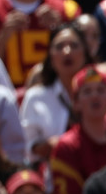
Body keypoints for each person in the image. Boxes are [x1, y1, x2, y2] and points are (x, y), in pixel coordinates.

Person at [0, 0, 81, 87]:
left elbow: (84, 61)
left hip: (54, 101)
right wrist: (3, 36)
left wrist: (61, 29)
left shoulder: (66, 10)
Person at [49, 65, 106, 194]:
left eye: (101, 90)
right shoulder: (67, 146)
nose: (95, 96)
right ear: (76, 103)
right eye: (87, 92)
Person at [19, 23, 90, 163]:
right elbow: (25, 147)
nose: (67, 52)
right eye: (59, 47)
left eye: (74, 46)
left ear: (85, 53)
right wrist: (47, 147)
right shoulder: (36, 97)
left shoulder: (101, 91)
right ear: (50, 57)